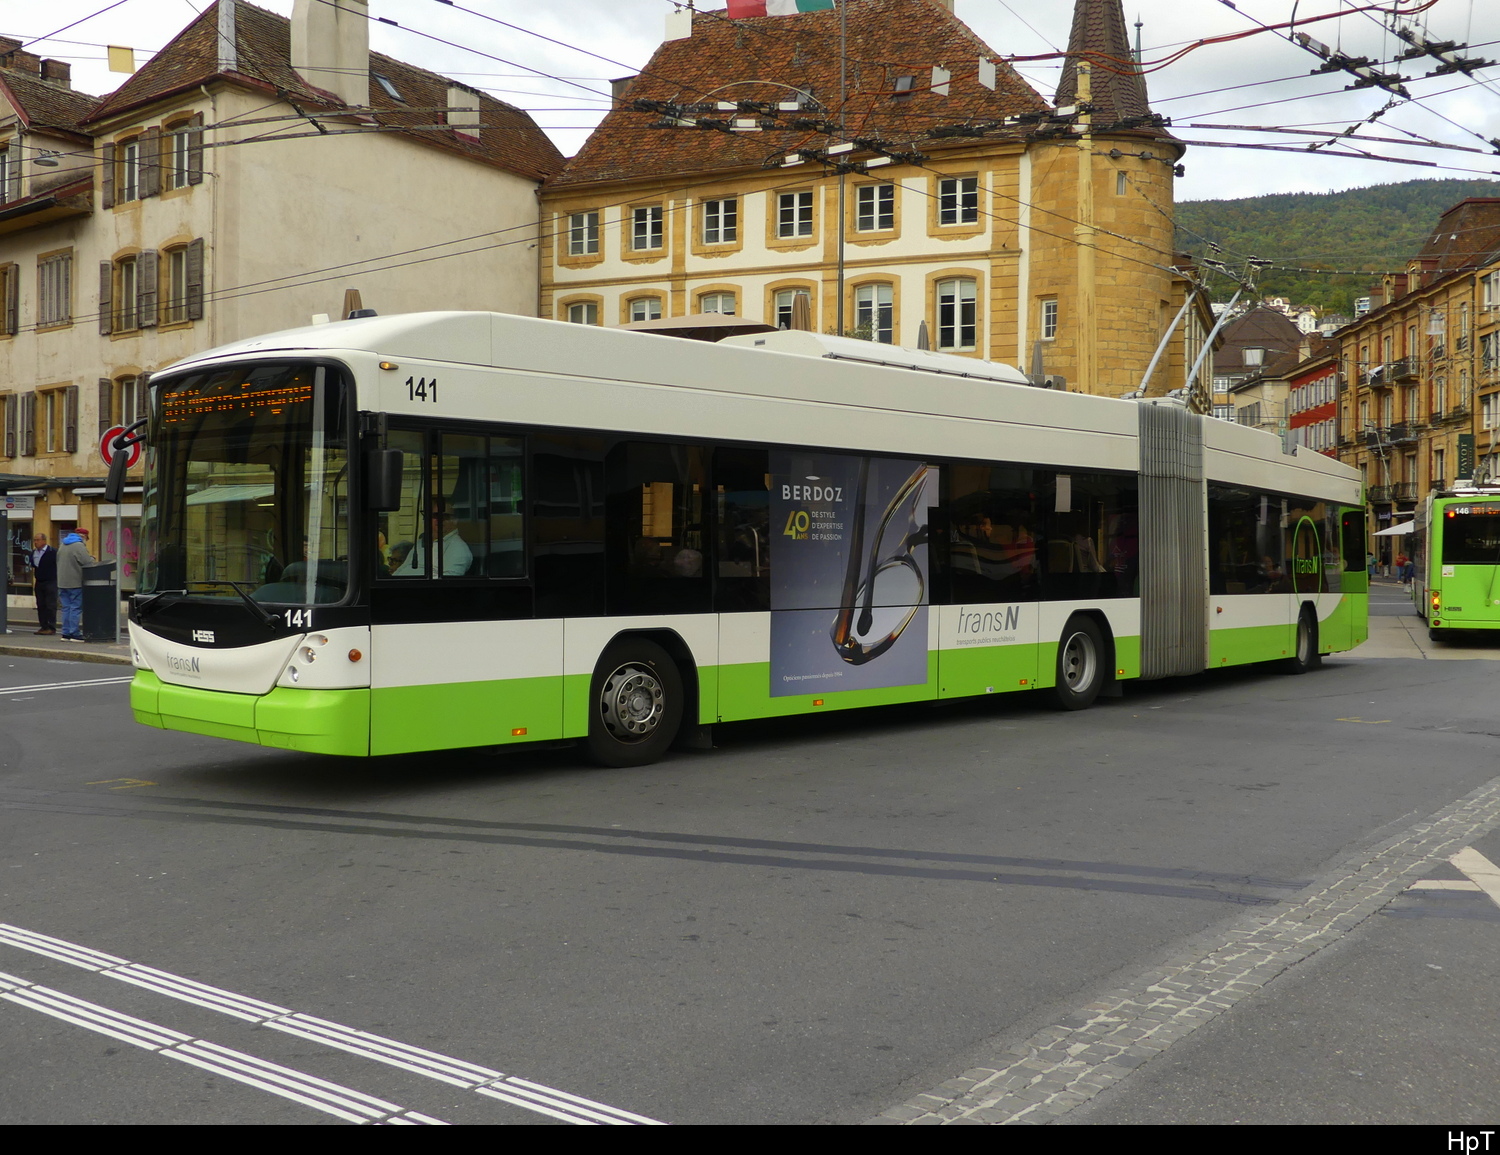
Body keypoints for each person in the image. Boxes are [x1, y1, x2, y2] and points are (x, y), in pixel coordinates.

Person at [391, 503, 472, 577]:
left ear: (454, 520)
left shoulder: (458, 548)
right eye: (435, 516)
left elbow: (447, 582)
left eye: (445, 516)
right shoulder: (421, 543)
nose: (439, 519)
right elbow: (402, 569)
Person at [56, 528, 95, 641]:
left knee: (66, 608)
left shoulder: (62, 544)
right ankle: (74, 633)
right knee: (75, 608)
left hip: (62, 582)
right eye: (87, 538)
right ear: (83, 536)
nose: (86, 541)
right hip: (75, 582)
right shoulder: (78, 545)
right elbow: (86, 562)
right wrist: (92, 558)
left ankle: (66, 633)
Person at [31, 533, 57, 635]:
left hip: (50, 581)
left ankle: (51, 627)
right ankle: (43, 626)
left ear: (44, 541)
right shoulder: (34, 553)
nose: (36, 542)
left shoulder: (52, 552)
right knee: (40, 605)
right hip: (39, 582)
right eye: (34, 540)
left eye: (37, 540)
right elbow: (34, 565)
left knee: (50, 605)